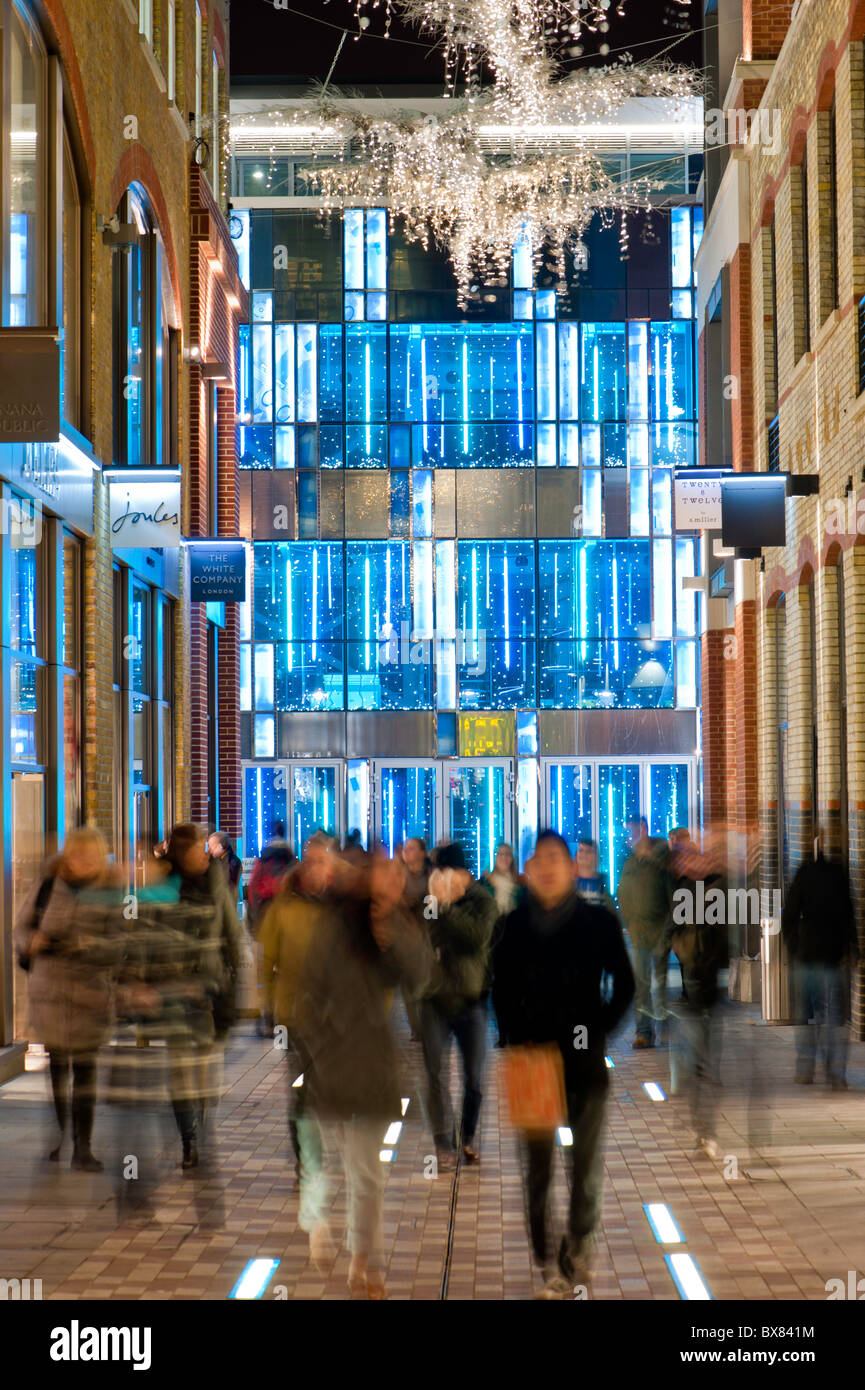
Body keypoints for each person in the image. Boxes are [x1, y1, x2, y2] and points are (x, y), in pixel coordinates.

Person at [492, 830, 635, 1298]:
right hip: (533, 1059)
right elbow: (500, 990)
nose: (550, 868)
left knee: (585, 1168)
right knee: (538, 1170)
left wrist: (599, 1030)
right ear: (529, 871)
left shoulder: (598, 922)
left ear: (572, 868)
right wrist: (515, 1037)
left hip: (584, 1061)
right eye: (542, 860)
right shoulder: (513, 926)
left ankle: (578, 1242)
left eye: (558, 858)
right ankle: (547, 1263)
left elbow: (625, 985)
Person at [295, 851, 430, 1299]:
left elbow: (421, 975)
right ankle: (316, 1224)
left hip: (372, 1065)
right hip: (332, 1065)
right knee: (322, 1160)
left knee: (367, 1173)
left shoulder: (393, 928)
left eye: (397, 879)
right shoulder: (334, 927)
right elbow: (309, 992)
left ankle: (363, 1261)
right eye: (385, 877)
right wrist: (318, 1043)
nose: (393, 885)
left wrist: (395, 929)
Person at [14, 827, 118, 1172]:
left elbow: (120, 943)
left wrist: (89, 946)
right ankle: (62, 1136)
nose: (83, 862)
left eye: (90, 856)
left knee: (86, 1071)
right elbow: (20, 929)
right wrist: (32, 941)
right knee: (59, 1069)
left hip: (90, 994)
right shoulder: (47, 886)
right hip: (51, 994)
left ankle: (83, 1147)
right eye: (77, 855)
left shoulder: (110, 892)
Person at [162, 823, 246, 1168]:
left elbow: (231, 936)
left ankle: (199, 1122)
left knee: (204, 1072)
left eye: (205, 846)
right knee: (181, 1071)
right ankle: (190, 1139)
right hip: (175, 994)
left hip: (210, 992)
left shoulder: (216, 883)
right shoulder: (164, 888)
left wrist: (233, 986)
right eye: (198, 847)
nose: (204, 852)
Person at [258, 833, 333, 1181]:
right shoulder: (283, 908)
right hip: (294, 1016)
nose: (318, 869)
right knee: (301, 1089)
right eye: (313, 862)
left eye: (323, 862)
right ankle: (305, 1158)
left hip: (333, 1016)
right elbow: (266, 960)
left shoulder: (338, 908)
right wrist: (268, 1007)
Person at [419, 841, 498, 1168]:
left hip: (471, 1000)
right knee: (434, 1074)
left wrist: (446, 908)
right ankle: (443, 1143)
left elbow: (475, 939)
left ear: (462, 873)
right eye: (437, 873)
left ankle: (466, 1136)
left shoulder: (484, 901)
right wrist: (436, 905)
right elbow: (427, 938)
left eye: (445, 872)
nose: (440, 878)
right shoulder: (431, 901)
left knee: (474, 1079)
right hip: (434, 999)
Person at [663, 835, 728, 1157]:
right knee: (697, 1062)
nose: (690, 863)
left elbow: (725, 933)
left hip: (712, 987)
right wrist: (682, 950)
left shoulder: (719, 888)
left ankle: (706, 1128)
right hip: (693, 988)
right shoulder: (685, 892)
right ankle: (702, 1127)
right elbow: (672, 932)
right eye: (684, 860)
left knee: (706, 1062)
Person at [781, 835, 857, 1090]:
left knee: (805, 1014)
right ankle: (835, 1073)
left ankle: (805, 1068)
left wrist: (793, 946)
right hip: (833, 955)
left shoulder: (803, 874)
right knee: (834, 1018)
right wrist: (851, 948)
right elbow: (849, 915)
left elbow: (789, 915)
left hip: (807, 954)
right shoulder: (839, 875)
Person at [617, 816, 673, 1048]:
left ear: (642, 829)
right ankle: (644, 1032)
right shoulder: (631, 862)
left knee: (659, 984)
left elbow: (672, 896)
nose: (628, 839)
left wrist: (669, 930)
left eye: (630, 832)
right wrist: (629, 922)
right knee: (641, 985)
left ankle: (664, 1028)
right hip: (638, 932)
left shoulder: (662, 861)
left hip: (659, 931)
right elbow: (623, 892)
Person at [399, 838, 431, 1040]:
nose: (406, 852)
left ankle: (426, 1025)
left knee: (424, 985)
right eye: (405, 849)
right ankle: (416, 1028)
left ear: (422, 853)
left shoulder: (431, 876)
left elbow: (432, 911)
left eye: (411, 848)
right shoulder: (398, 875)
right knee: (407, 987)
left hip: (424, 938)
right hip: (403, 938)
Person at [574, 839, 618, 916]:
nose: (584, 854)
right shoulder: (568, 883)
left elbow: (611, 913)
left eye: (588, 851)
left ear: (596, 856)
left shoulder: (603, 883)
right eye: (581, 850)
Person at [208, 831, 242, 906]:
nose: (209, 850)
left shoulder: (233, 862)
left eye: (212, 846)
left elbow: (225, 884)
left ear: (221, 846)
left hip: (226, 903)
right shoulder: (216, 859)